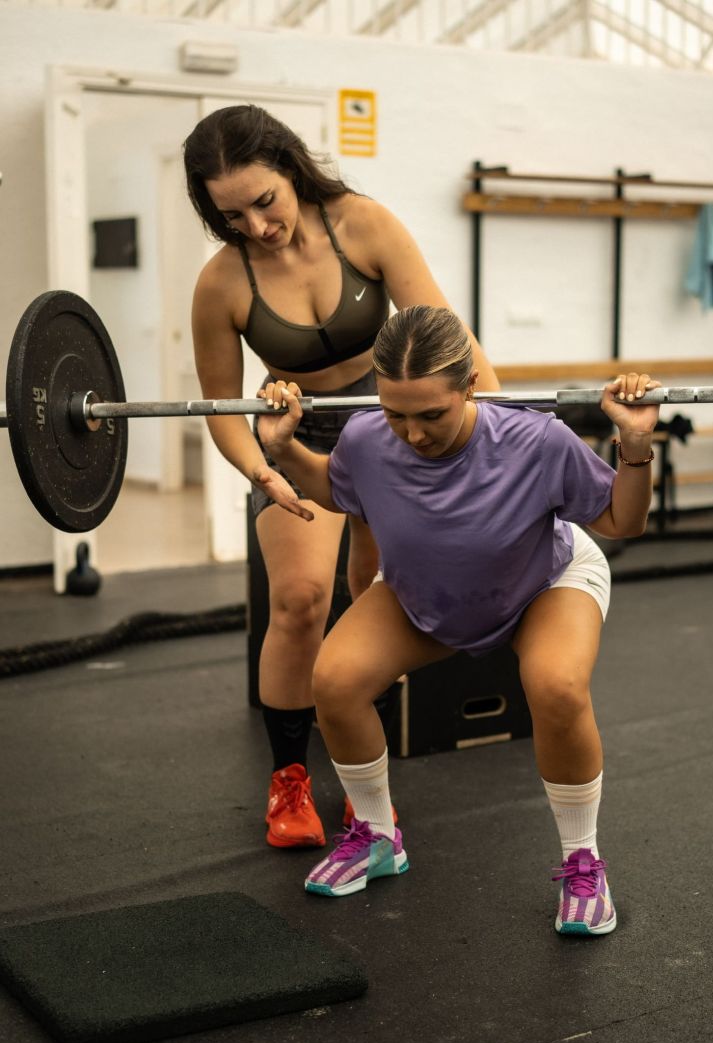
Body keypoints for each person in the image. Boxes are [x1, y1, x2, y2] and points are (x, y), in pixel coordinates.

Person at [256, 305, 661, 936]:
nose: (412, 434)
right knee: (334, 680)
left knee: (555, 687)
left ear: (470, 387)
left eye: (431, 415)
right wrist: (284, 447)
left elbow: (622, 523)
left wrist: (634, 449)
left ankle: (583, 862)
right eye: (396, 414)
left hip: (542, 584)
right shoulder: (366, 438)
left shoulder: (537, 439)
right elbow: (338, 490)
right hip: (429, 594)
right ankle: (378, 835)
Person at [183, 105, 500, 851]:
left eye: (266, 201)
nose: (258, 226)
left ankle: (368, 786)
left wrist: (506, 431)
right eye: (233, 214)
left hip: (389, 426)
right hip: (296, 437)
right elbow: (223, 409)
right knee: (298, 600)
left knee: (382, 598)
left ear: (291, 168)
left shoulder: (364, 225)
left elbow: (451, 339)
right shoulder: (221, 283)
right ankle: (289, 780)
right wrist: (262, 467)